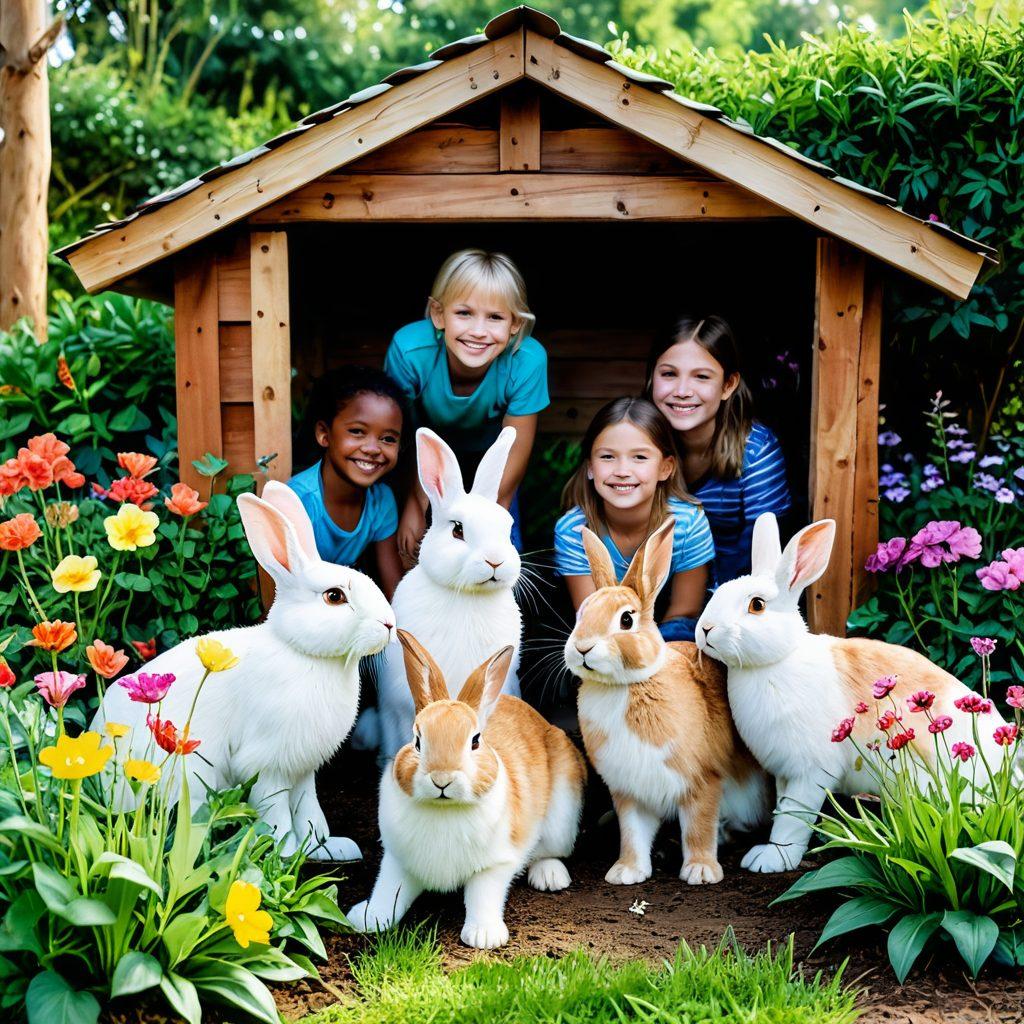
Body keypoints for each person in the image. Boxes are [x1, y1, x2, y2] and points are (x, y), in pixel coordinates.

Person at [385, 248, 548, 558]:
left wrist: (492, 522)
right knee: (413, 539)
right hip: (424, 453)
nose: (478, 331)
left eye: (495, 317)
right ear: (438, 314)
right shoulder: (410, 351)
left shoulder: (526, 360)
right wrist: (415, 502)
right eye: (464, 313)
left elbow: (512, 451)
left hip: (492, 455)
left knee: (501, 539)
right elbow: (399, 435)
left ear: (514, 323)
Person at [554, 397, 715, 642]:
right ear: (590, 467)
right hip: (600, 639)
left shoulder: (688, 523)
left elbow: (685, 612)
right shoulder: (573, 531)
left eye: (639, 457)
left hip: (668, 636)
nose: (622, 470)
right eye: (607, 457)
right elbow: (591, 617)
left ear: (665, 468)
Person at [647, 315, 791, 585]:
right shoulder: (635, 441)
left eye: (701, 377)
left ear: (728, 385)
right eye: (669, 374)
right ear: (652, 377)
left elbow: (761, 551)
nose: (681, 390)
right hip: (651, 591)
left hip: (731, 597)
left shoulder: (756, 450)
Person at [287, 365, 406, 600]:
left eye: (388, 438)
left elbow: (395, 591)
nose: (372, 448)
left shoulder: (381, 501)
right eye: (357, 431)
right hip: (305, 608)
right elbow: (287, 596)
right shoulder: (299, 501)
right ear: (324, 434)